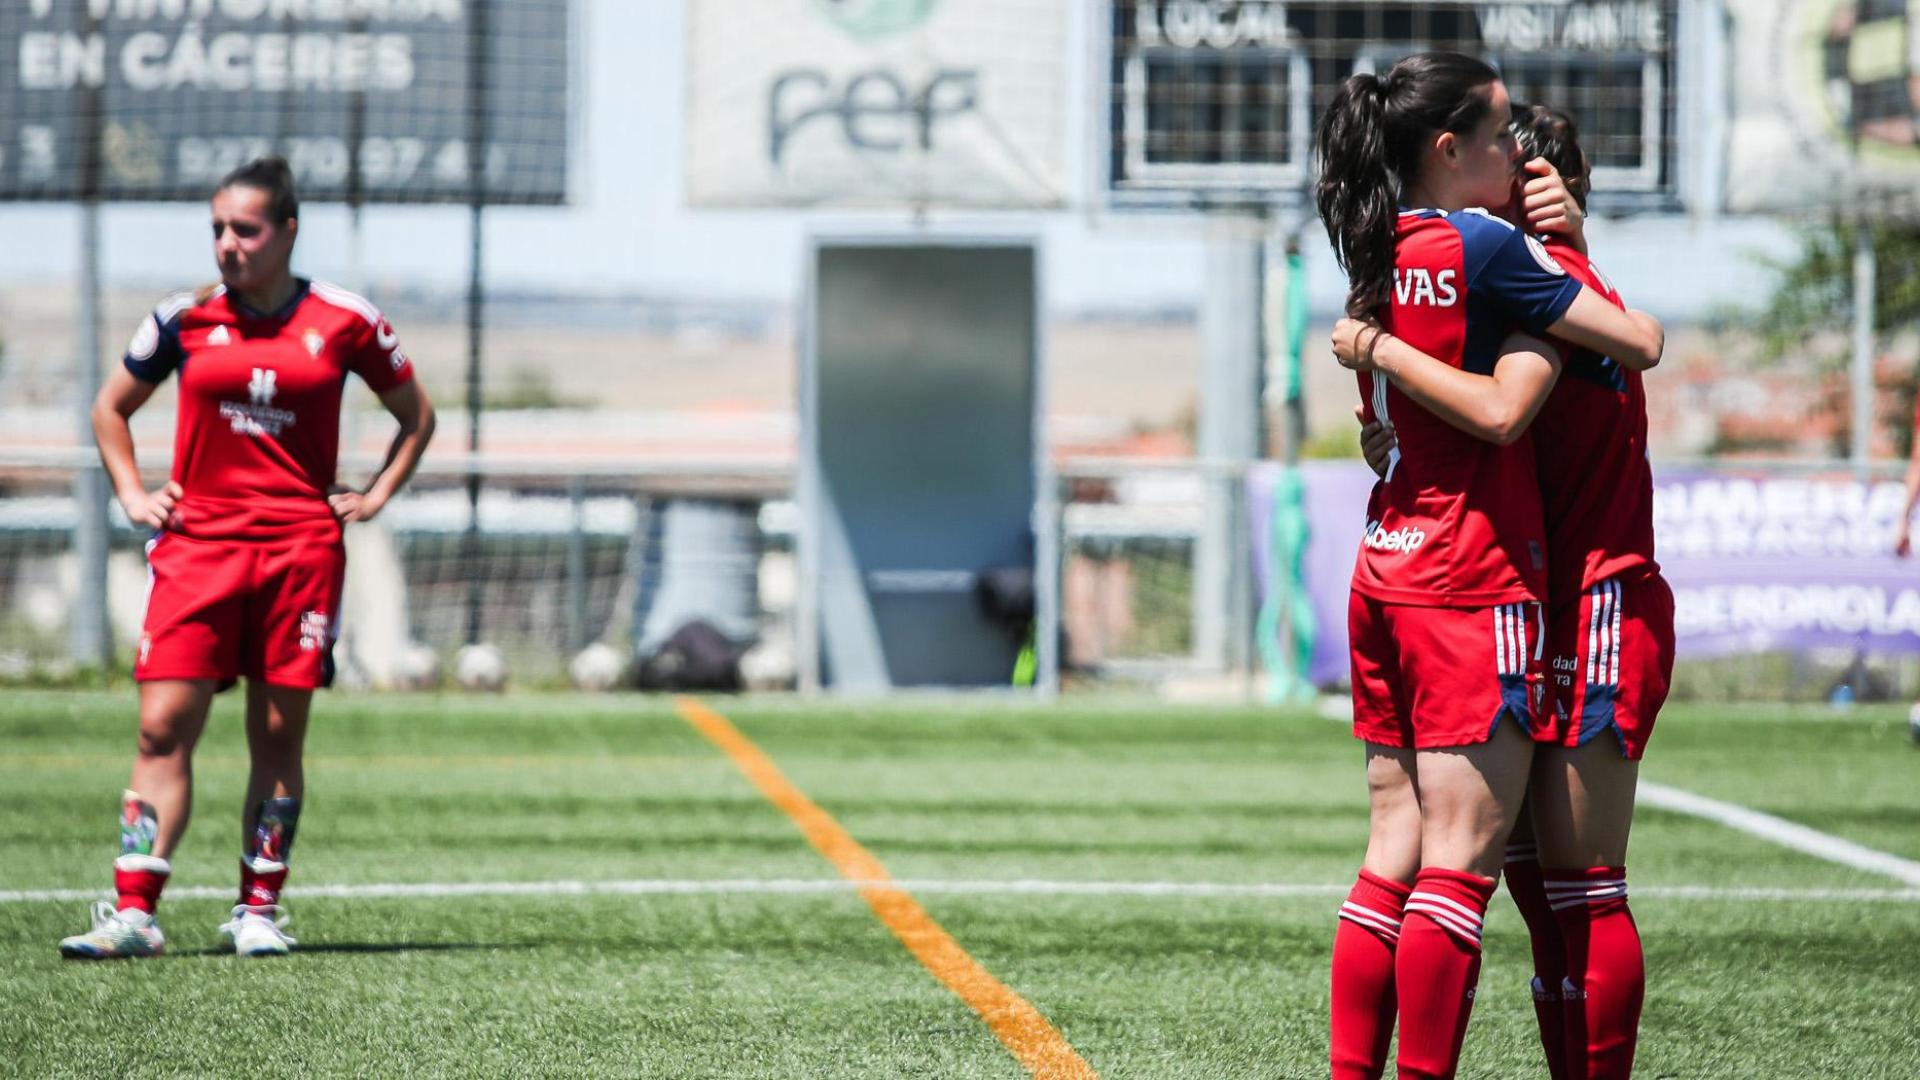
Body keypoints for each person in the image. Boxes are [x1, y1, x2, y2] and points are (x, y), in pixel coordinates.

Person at [1313, 53, 1664, 1079]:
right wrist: (1565, 255)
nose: (1512, 156)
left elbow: (1383, 435)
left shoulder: (1383, 247)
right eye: (1503, 140)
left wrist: (1377, 353)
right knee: (1539, 881)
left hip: (1401, 563)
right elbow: (1584, 370)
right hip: (1491, 584)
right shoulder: (1500, 264)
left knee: (1425, 856)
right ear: (1454, 151)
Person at [58, 157, 435, 960]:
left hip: (300, 554)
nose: (229, 243)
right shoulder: (184, 318)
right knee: (162, 726)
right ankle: (135, 915)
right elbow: (110, 409)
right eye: (218, 229)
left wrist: (373, 497)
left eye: (246, 229)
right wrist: (133, 494)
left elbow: (416, 416)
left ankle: (257, 911)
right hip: (199, 550)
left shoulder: (346, 320)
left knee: (275, 732)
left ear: (287, 231)